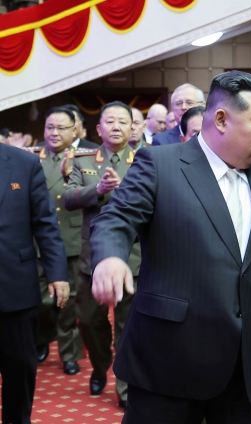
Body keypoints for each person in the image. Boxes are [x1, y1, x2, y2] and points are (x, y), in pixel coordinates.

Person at [89, 71, 251, 423]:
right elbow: (115, 218)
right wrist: (110, 257)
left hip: (250, 368)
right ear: (220, 120)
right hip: (171, 360)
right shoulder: (161, 165)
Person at [62, 101, 141, 408]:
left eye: (124, 121)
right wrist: (98, 189)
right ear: (98, 128)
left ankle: (124, 388)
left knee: (128, 327)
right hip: (91, 259)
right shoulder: (82, 161)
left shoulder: (145, 160)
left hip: (132, 258)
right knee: (89, 321)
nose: (117, 126)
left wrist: (123, 190)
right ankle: (100, 364)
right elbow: (68, 199)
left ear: (133, 127)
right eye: (110, 121)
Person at [0, 142, 69, 424]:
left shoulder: (24, 163)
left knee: (20, 367)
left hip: (14, 284)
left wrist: (57, 274)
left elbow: (45, 223)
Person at [35, 107, 92, 376]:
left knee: (69, 303)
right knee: (41, 300)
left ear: (75, 130)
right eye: (49, 127)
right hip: (38, 242)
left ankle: (70, 353)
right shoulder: (32, 157)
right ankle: (43, 337)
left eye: (61, 128)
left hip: (71, 239)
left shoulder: (87, 158)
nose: (54, 133)